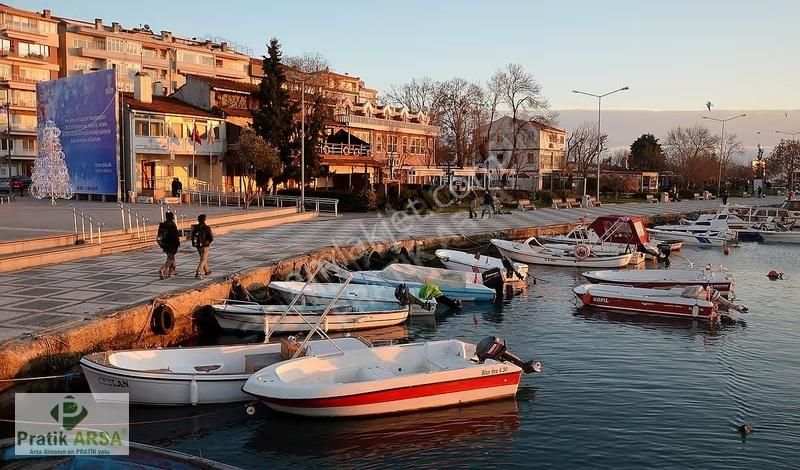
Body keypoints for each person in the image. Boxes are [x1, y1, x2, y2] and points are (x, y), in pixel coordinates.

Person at [157, 212, 181, 279]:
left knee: (171, 257)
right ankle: (163, 269)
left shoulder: (162, 225)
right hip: (172, 244)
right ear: (171, 217)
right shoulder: (172, 225)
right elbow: (175, 235)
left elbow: (159, 234)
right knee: (170, 258)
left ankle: (172, 271)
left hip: (164, 244)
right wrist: (177, 243)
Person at [190, 214, 214, 279]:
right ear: (205, 220)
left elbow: (192, 236)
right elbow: (211, 237)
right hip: (205, 246)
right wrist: (208, 242)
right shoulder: (207, 228)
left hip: (198, 246)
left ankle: (207, 271)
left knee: (203, 258)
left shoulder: (196, 227)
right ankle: (198, 272)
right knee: (203, 259)